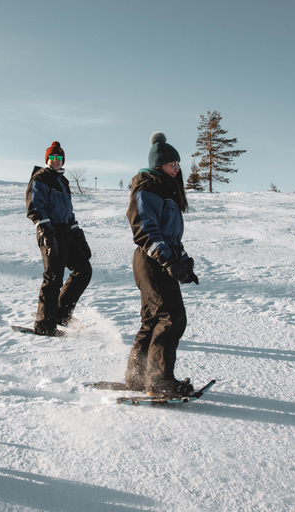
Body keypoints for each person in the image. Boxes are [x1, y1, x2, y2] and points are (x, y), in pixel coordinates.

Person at [124, 132, 199, 398]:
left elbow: (170, 236)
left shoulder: (165, 189)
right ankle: (158, 381)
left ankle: (137, 377)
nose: (177, 168)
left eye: (178, 164)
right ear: (159, 164)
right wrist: (168, 259)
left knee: (152, 319)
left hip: (156, 260)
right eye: (172, 163)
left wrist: (183, 261)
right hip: (151, 260)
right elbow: (145, 229)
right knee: (172, 317)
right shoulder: (149, 186)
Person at [26, 141, 92, 336]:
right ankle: (44, 323)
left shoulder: (63, 181)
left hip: (67, 232)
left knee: (83, 269)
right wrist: (46, 232)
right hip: (50, 231)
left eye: (59, 158)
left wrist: (78, 233)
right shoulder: (41, 178)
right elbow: (35, 208)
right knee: (54, 276)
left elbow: (68, 211)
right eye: (52, 158)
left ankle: (61, 314)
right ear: (47, 159)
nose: (56, 161)